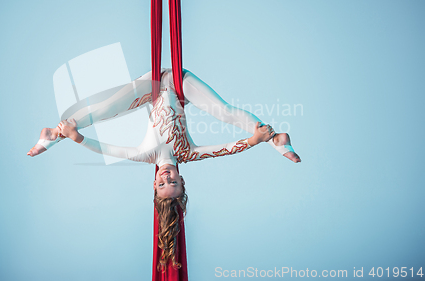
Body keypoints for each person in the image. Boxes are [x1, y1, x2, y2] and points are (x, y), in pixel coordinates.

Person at [27, 68, 300, 269]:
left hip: (154, 85)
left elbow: (110, 150)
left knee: (110, 108)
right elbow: (226, 149)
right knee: (224, 111)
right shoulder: (188, 154)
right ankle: (275, 138)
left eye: (161, 184)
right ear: (182, 180)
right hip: (182, 86)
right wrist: (254, 140)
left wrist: (79, 139)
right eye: (173, 183)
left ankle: (56, 133)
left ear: (154, 183)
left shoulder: (147, 156)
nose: (166, 177)